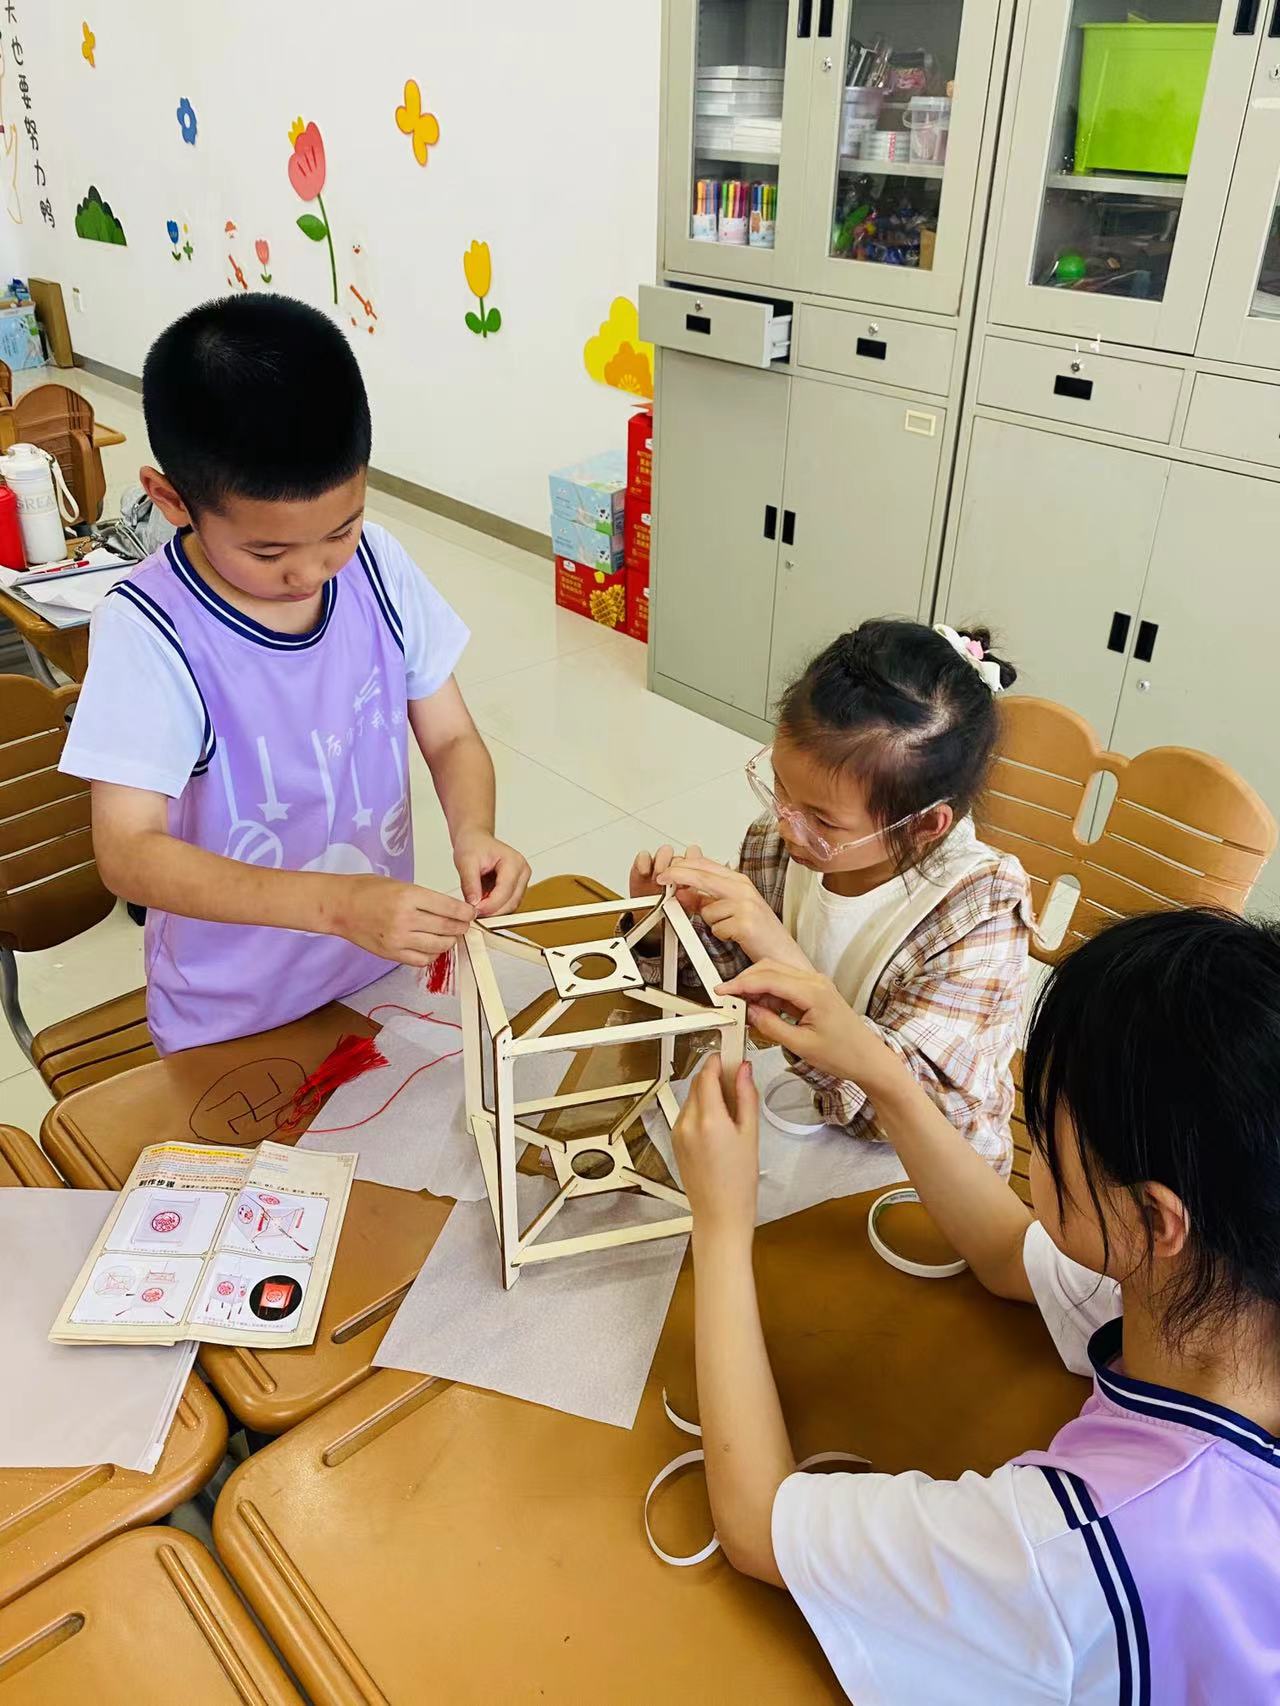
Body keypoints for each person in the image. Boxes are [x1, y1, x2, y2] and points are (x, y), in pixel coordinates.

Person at [672, 909, 1280, 1703]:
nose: (1033, 1135)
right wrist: (880, 1068)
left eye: (1049, 1124)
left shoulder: (1071, 1546)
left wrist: (721, 1224)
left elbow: (758, 1525)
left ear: (1154, 1219)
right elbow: (1005, 1253)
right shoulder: (1223, 1276)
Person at [61, 294, 529, 1053]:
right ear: (172, 500)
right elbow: (128, 851)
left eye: (340, 529)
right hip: (232, 1014)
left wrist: (474, 831)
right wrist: (337, 906)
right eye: (268, 553)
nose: (311, 572)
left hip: (379, 969)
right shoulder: (150, 631)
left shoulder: (378, 567)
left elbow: (450, 737)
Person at [632, 619, 1031, 1170]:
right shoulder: (783, 846)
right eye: (780, 785)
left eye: (822, 820)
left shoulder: (979, 912)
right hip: (809, 1105)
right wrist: (662, 929)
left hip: (926, 1173)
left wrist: (781, 954)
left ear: (923, 825)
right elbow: (729, 981)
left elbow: (911, 1115)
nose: (787, 824)